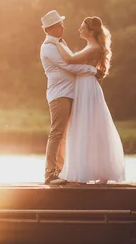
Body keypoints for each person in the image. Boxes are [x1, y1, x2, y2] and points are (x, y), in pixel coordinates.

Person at [50, 16, 125, 184]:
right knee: (84, 126)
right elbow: (74, 60)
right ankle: (90, 171)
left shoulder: (94, 48)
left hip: (87, 88)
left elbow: (69, 60)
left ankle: (99, 173)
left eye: (82, 28)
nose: (79, 30)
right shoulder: (90, 47)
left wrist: (57, 44)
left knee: (89, 126)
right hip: (83, 86)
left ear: (90, 32)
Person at [39, 10, 98, 185]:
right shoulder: (48, 47)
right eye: (59, 25)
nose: (62, 26)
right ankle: (50, 173)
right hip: (60, 94)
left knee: (64, 134)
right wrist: (92, 70)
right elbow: (69, 66)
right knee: (57, 133)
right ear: (50, 29)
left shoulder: (59, 43)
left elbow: (72, 62)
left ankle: (60, 170)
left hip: (68, 93)